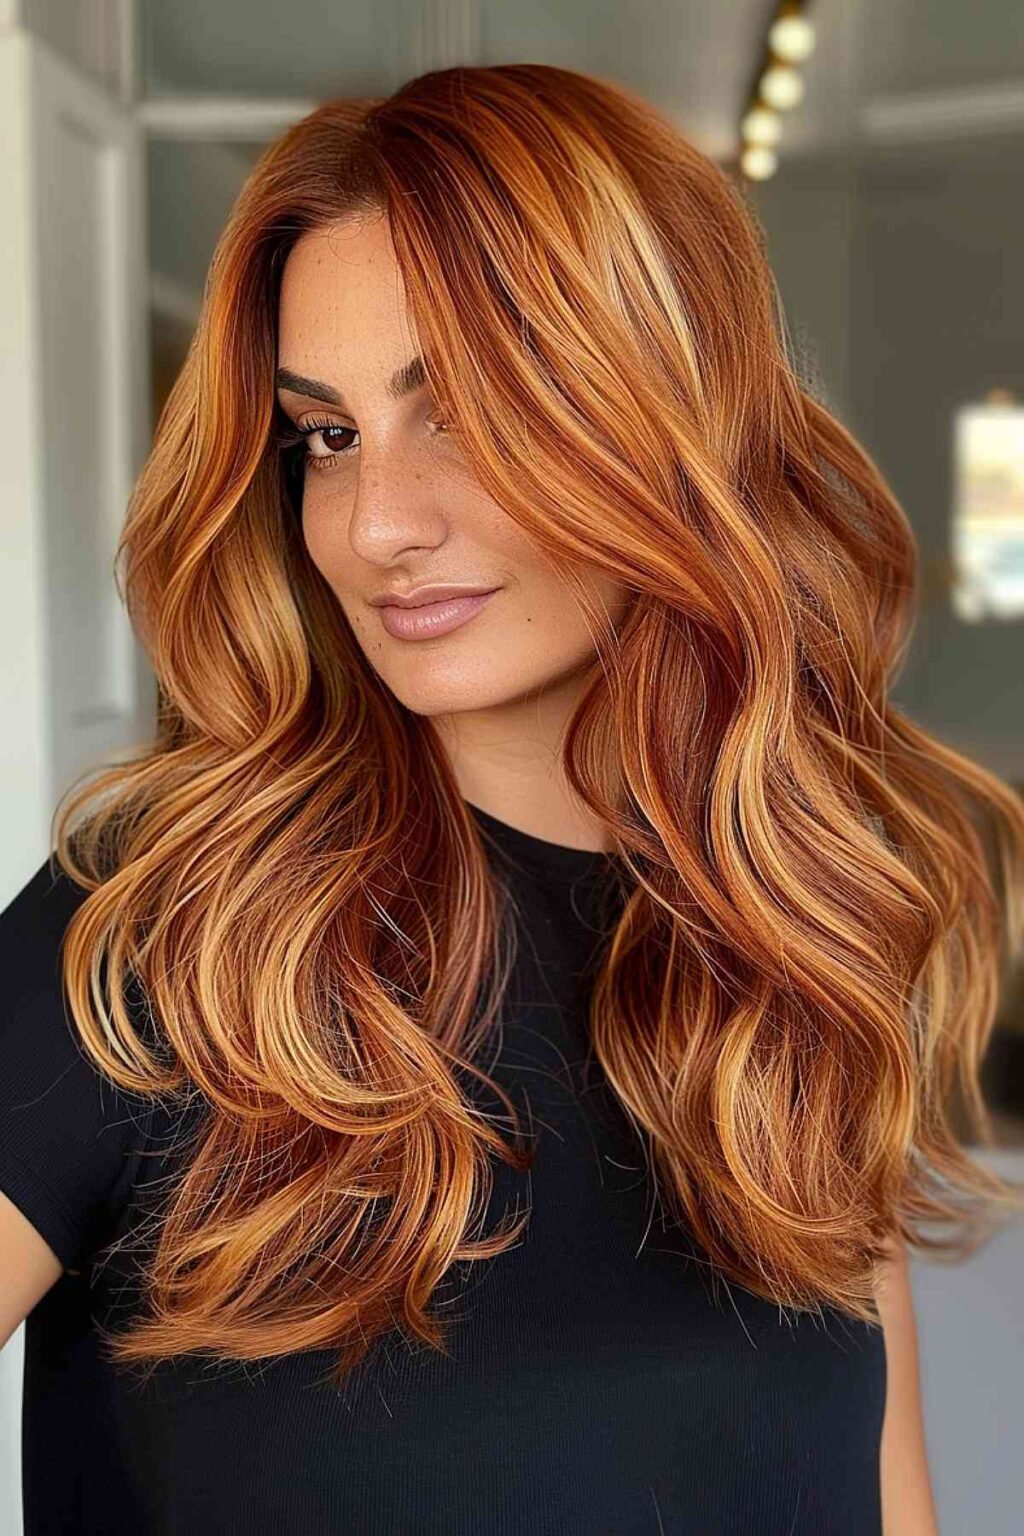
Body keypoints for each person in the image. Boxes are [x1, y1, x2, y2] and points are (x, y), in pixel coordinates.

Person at [1, 60, 1020, 1536]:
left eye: (467, 412)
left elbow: (885, 1494)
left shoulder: (795, 931)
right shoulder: (166, 930)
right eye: (326, 435)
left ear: (668, 417)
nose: (375, 524)